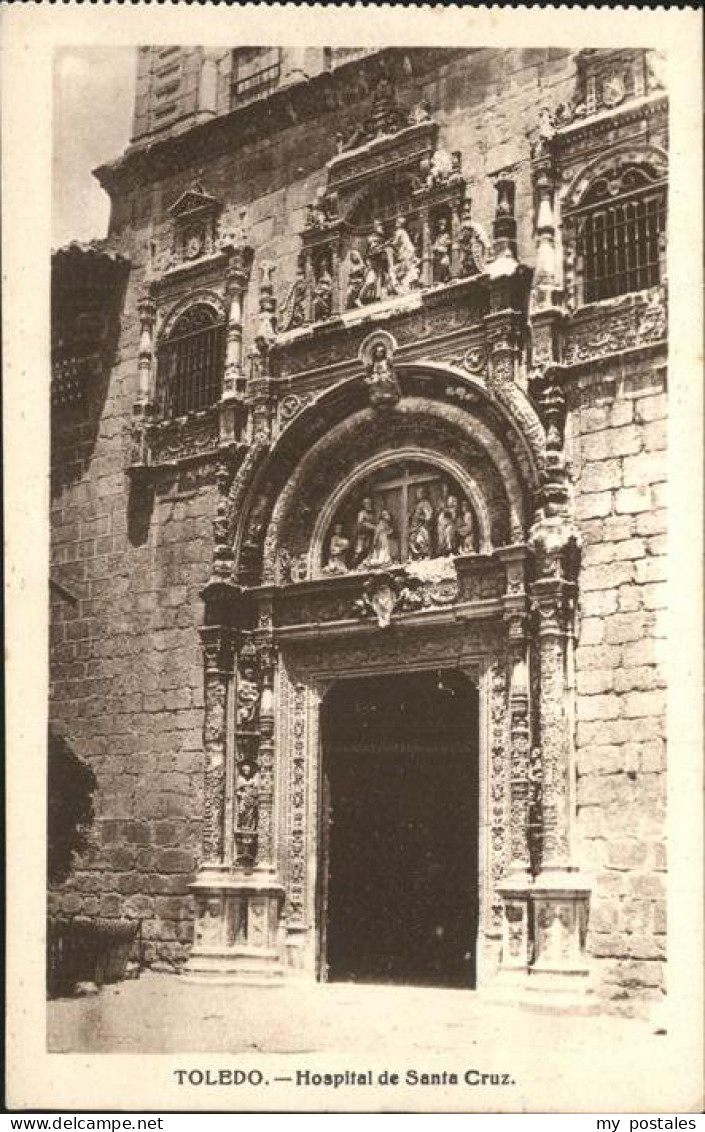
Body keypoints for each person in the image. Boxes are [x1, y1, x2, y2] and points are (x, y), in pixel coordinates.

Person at [390, 216, 420, 292]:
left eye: (398, 222)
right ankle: (407, 284)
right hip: (409, 252)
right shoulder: (403, 231)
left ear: (400, 224)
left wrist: (387, 244)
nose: (396, 223)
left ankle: (406, 285)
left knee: (405, 269)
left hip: (407, 252)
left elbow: (395, 242)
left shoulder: (400, 231)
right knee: (407, 268)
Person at [408, 486, 434, 559]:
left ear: (424, 494)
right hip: (415, 526)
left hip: (422, 526)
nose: (418, 494)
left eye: (420, 492)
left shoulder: (426, 503)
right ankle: (418, 555)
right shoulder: (418, 504)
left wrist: (420, 518)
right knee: (412, 540)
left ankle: (426, 554)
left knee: (420, 539)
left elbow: (428, 516)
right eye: (417, 493)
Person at [353, 497, 376, 566]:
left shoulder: (372, 514)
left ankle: (365, 562)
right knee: (359, 549)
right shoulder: (362, 513)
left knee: (368, 548)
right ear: (363, 504)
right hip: (362, 535)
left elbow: (374, 523)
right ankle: (354, 564)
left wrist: (373, 527)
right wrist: (370, 526)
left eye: (369, 503)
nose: (368, 505)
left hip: (370, 535)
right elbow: (360, 523)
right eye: (366, 503)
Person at [432, 218, 452, 283]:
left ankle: (447, 277)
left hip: (445, 254)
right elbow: (435, 245)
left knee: (444, 263)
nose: (441, 227)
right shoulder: (438, 236)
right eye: (440, 225)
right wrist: (435, 248)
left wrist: (440, 248)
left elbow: (449, 244)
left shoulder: (447, 235)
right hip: (439, 256)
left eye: (443, 225)